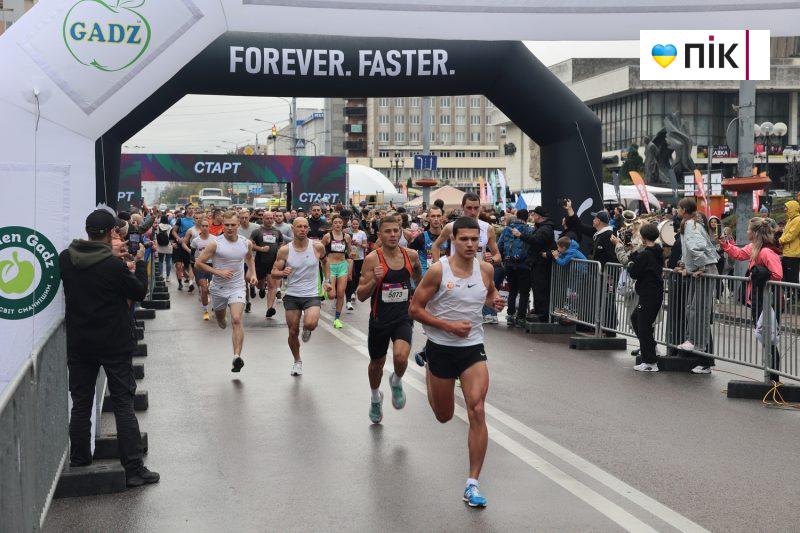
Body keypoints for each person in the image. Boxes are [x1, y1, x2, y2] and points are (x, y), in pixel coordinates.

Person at [409, 217, 505, 508]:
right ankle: (428, 365)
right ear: (453, 240)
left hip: (472, 346)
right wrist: (448, 327)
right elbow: (414, 309)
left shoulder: (486, 270)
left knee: (476, 408)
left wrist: (495, 301)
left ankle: (472, 483)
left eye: (475, 239)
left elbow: (488, 294)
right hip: (441, 347)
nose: (470, 244)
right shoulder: (439, 271)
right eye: (464, 239)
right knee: (444, 415)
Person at [59, 208, 159, 487]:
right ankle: (134, 469)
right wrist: (138, 263)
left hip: (79, 343)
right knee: (124, 405)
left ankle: (80, 461)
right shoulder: (112, 265)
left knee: (80, 404)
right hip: (114, 343)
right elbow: (139, 292)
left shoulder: (66, 258)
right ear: (109, 233)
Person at [357, 215, 422, 423]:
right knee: (377, 363)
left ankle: (396, 380)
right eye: (388, 231)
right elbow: (360, 294)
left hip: (403, 317)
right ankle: (376, 397)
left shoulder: (411, 256)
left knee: (401, 357)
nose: (393, 235)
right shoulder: (372, 259)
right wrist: (375, 280)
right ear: (379, 235)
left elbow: (420, 281)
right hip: (379, 319)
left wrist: (418, 300)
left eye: (396, 230)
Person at [720, 217, 783, 382]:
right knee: (764, 337)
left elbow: (777, 274)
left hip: (768, 300)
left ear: (755, 233)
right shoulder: (754, 247)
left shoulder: (766, 251)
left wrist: (758, 274)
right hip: (758, 297)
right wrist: (726, 245)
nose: (746, 232)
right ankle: (770, 375)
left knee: (768, 337)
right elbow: (740, 254)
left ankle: (773, 377)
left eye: (748, 229)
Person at [194, 211, 257, 372]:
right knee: (222, 322)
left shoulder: (245, 243)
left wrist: (252, 273)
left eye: (233, 225)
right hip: (218, 289)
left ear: (238, 225)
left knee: (236, 319)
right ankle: (221, 319)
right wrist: (218, 272)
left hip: (237, 287)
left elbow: (249, 257)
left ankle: (237, 357)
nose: (229, 228)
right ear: (223, 225)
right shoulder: (216, 243)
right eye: (227, 225)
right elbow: (198, 263)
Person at [272, 217, 331, 376]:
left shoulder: (317, 247)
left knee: (311, 323)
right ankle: (297, 361)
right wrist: (282, 273)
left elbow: (326, 263)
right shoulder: (285, 250)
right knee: (292, 332)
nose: (303, 229)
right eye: (299, 226)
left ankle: (307, 328)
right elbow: (274, 272)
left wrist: (327, 280)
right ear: (293, 228)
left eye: (305, 226)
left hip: (312, 293)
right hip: (292, 294)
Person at [431, 193, 501, 324]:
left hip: (477, 276)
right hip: (454, 275)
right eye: (469, 208)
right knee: (451, 312)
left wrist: (492, 258)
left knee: (471, 316)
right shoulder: (451, 227)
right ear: (462, 207)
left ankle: (469, 339)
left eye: (476, 208)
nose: (473, 212)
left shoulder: (488, 229)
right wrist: (439, 267)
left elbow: (497, 255)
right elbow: (436, 246)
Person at [673, 198, 720, 373]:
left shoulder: (691, 225)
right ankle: (692, 341)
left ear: (684, 209)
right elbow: (689, 250)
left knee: (699, 309)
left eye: (678, 208)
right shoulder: (690, 224)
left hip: (705, 270)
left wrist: (700, 266)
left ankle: (698, 344)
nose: (677, 210)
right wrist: (686, 265)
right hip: (701, 269)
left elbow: (696, 247)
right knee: (692, 308)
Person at [565, 200, 617, 334]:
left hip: (607, 276)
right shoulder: (598, 233)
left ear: (599, 221)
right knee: (598, 300)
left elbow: (613, 257)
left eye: (595, 218)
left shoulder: (608, 235)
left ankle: (610, 329)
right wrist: (570, 209)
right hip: (598, 275)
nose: (593, 220)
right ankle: (597, 325)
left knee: (608, 300)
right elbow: (579, 225)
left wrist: (611, 275)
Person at [625, 223, 664, 372]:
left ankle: (650, 361)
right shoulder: (657, 250)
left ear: (643, 236)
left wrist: (631, 263)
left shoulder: (647, 254)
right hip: (653, 292)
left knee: (643, 326)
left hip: (649, 293)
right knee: (636, 319)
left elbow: (634, 272)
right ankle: (651, 348)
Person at [519, 206, 555, 322]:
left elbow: (536, 240)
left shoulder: (545, 229)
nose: (532, 217)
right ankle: (539, 311)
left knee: (541, 289)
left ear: (539, 216)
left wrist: (521, 236)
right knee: (537, 288)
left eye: (533, 214)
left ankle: (543, 314)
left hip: (542, 264)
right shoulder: (542, 227)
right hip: (537, 262)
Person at [498, 209, 532, 327]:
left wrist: (504, 258)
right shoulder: (529, 230)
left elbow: (500, 245)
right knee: (524, 293)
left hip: (509, 264)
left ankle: (510, 316)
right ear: (527, 218)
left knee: (512, 291)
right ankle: (521, 318)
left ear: (517, 217)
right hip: (524, 265)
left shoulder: (507, 229)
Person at [321, 214, 353, 328]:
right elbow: (320, 249)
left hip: (343, 266)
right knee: (331, 295)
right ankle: (325, 285)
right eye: (335, 222)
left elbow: (349, 250)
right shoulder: (327, 236)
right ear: (332, 224)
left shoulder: (347, 237)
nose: (338, 224)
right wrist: (323, 260)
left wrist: (351, 257)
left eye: (340, 222)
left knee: (340, 293)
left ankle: (337, 319)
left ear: (343, 224)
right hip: (331, 267)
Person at [251, 210, 284, 318]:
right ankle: (260, 288)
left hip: (273, 262)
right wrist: (260, 248)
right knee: (259, 283)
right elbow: (250, 244)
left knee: (272, 285)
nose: (269, 220)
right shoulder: (257, 231)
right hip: (260, 262)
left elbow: (281, 244)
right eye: (267, 218)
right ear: (263, 219)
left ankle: (269, 308)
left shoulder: (277, 232)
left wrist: (280, 252)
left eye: (271, 218)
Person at [187, 217, 214, 320]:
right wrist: (193, 265)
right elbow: (192, 255)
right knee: (204, 289)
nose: (205, 228)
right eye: (203, 226)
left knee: (213, 289)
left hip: (212, 265)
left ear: (209, 227)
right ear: (200, 227)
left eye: (207, 226)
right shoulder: (195, 241)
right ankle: (205, 310)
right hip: (200, 265)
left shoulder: (214, 239)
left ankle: (215, 307)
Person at [410, 205, 448, 277]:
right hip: (426, 277)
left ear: (442, 218)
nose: (436, 219)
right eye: (433, 216)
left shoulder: (448, 237)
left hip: (444, 276)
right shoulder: (421, 237)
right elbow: (409, 253)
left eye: (438, 216)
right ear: (428, 218)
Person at [238, 209, 260, 313]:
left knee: (248, 277)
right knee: (243, 283)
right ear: (239, 219)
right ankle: (247, 302)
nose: (244, 220)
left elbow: (261, 239)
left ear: (249, 217)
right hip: (240, 259)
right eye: (242, 218)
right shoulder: (236, 229)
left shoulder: (256, 227)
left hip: (253, 257)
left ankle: (252, 285)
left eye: (246, 218)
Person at [171, 205, 196, 292]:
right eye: (189, 208)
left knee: (189, 265)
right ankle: (180, 283)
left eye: (192, 208)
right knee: (178, 265)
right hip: (179, 245)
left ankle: (190, 283)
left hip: (190, 245)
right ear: (186, 210)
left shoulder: (196, 220)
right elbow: (173, 231)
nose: (191, 210)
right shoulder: (181, 220)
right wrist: (178, 238)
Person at [346, 216, 369, 311]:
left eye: (356, 224)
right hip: (350, 258)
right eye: (353, 224)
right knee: (351, 276)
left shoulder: (362, 233)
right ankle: (351, 292)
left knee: (358, 276)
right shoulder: (347, 233)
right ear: (350, 224)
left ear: (358, 225)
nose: (354, 225)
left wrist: (358, 244)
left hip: (359, 257)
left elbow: (365, 246)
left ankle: (354, 291)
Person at [779, 200, 800, 285]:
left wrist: (780, 240)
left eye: (786, 207)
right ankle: (789, 296)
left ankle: (795, 296)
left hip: (793, 254)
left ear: (792, 208)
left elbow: (791, 235)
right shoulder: (790, 220)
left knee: (792, 278)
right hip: (787, 253)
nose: (785, 209)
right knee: (787, 278)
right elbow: (786, 233)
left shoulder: (798, 220)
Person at [153, 214, 173, 282]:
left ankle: (161, 275)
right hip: (169, 246)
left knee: (160, 261)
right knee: (168, 261)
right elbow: (171, 237)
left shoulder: (158, 226)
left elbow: (156, 235)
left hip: (160, 246)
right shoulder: (170, 227)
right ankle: (168, 277)